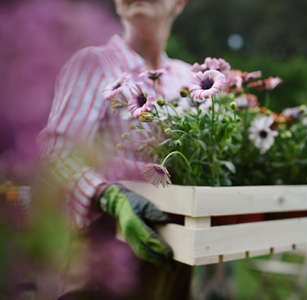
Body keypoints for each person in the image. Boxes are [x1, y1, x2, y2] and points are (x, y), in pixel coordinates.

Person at [38, 0, 193, 299]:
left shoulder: (188, 79)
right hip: (105, 261)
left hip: (175, 262)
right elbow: (55, 153)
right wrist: (108, 196)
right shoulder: (94, 63)